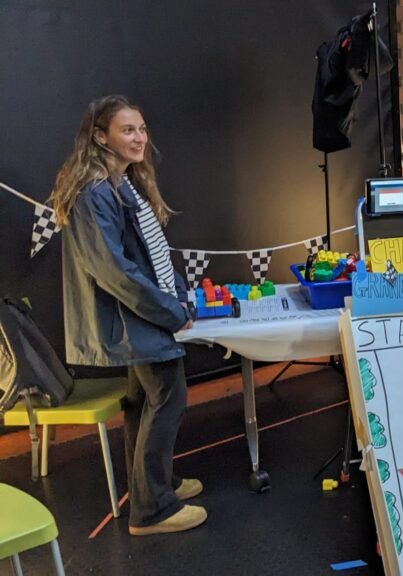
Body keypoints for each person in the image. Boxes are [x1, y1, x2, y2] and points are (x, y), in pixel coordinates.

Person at [49, 95, 207, 536]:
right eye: (128, 130)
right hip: (132, 319)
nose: (139, 138)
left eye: (141, 129)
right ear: (101, 137)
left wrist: (179, 297)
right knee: (167, 399)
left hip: (140, 316)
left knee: (143, 402)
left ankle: (154, 485)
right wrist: (171, 312)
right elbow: (114, 271)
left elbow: (152, 256)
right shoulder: (94, 192)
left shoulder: (121, 184)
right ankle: (152, 509)